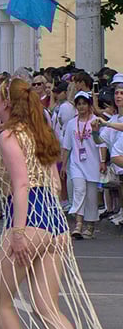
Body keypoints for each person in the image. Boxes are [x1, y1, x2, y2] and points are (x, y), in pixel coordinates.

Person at [0, 78, 118, 329]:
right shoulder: (40, 132)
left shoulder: (9, 135)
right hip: (54, 223)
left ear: (7, 103)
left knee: (0, 299)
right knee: (47, 305)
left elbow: (20, 185)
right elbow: (53, 180)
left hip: (29, 219)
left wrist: (17, 232)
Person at [61, 91, 107, 239]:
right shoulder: (71, 124)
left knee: (91, 195)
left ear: (89, 105)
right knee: (79, 190)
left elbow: (102, 143)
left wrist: (102, 161)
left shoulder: (96, 121)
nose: (81, 107)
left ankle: (90, 225)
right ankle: (78, 224)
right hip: (76, 164)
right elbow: (67, 146)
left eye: (84, 104)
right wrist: (64, 165)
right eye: (79, 104)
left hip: (92, 163)